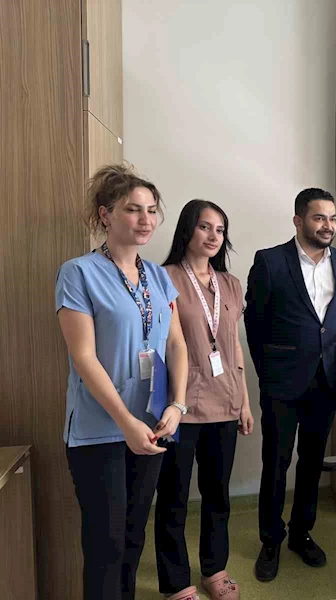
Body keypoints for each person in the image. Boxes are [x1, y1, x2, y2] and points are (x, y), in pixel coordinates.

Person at [56, 164, 189, 600]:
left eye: (151, 210)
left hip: (151, 425)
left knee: (133, 538)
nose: (145, 219)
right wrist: (125, 422)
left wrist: (177, 405)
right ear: (105, 214)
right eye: (133, 209)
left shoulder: (159, 277)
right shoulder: (78, 273)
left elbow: (176, 344)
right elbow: (83, 357)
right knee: (106, 544)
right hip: (100, 430)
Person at [245, 188, 336, 582]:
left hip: (324, 379)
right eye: (319, 217)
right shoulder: (270, 261)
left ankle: (301, 533)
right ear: (298, 220)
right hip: (282, 381)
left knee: (312, 462)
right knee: (276, 462)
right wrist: (267, 372)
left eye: (332, 218)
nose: (328, 226)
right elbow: (254, 323)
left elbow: (331, 320)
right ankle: (271, 539)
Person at [154, 200, 255, 600]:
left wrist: (244, 402)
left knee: (217, 496)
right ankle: (177, 583)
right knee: (174, 499)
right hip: (179, 409)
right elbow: (166, 344)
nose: (214, 236)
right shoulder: (164, 278)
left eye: (220, 229)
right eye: (205, 227)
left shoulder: (230, 284)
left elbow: (233, 347)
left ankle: (215, 569)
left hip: (225, 404)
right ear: (187, 230)